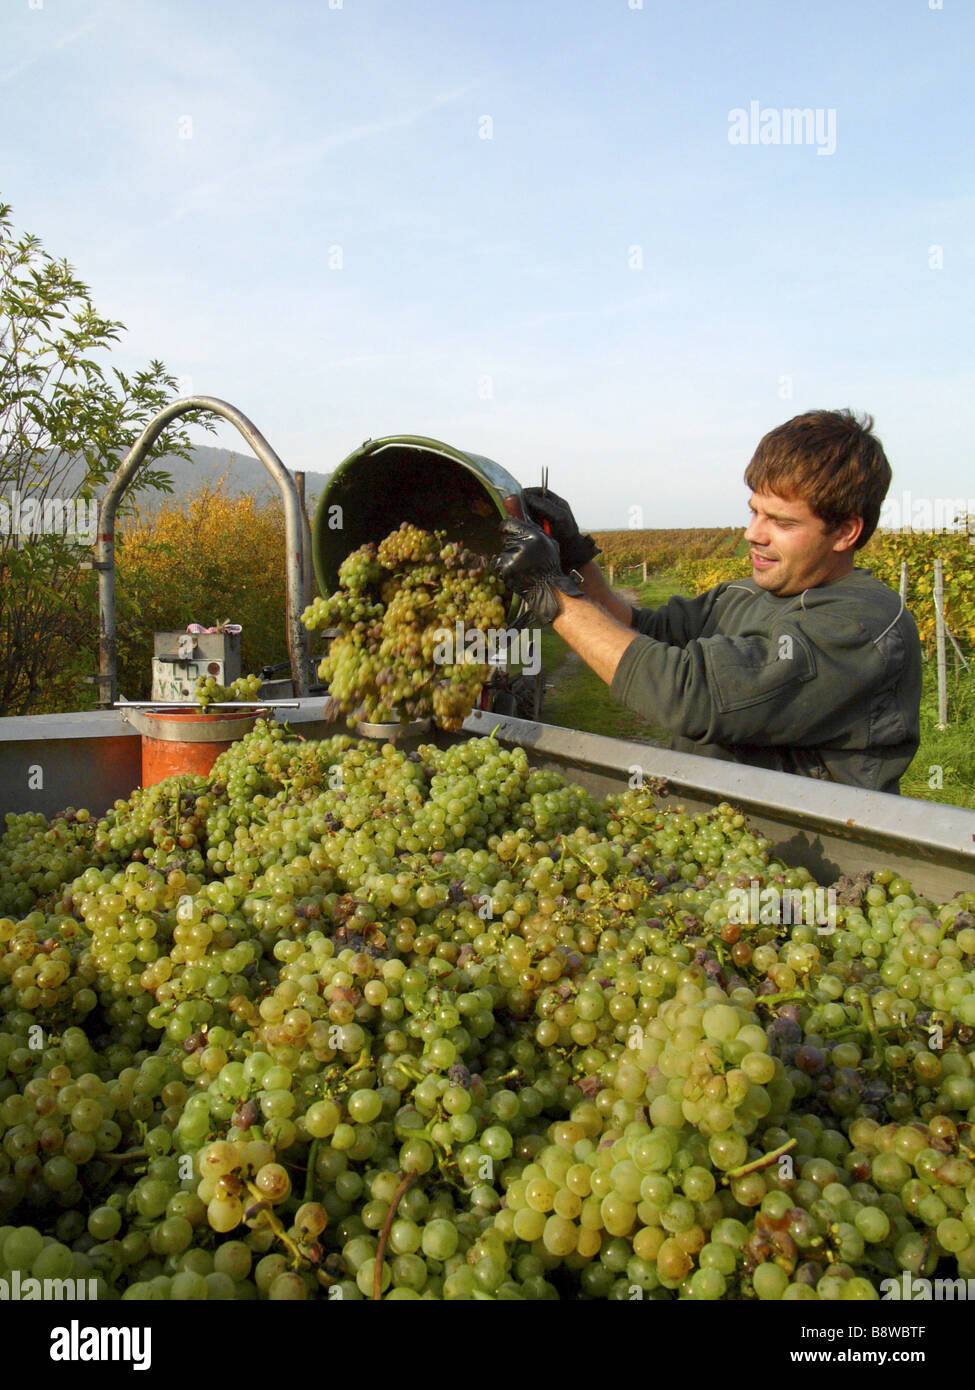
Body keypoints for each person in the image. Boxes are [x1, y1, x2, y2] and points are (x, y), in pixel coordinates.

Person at [496, 410, 922, 794]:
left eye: (782, 521)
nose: (753, 533)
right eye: (755, 511)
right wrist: (575, 556)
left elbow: (690, 696)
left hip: (801, 863)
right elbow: (641, 631)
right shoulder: (744, 595)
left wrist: (550, 595)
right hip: (716, 840)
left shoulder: (862, 627)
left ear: (846, 532)